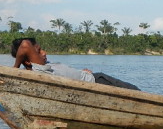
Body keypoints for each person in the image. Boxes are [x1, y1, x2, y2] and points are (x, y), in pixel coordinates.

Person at [11, 38, 140, 90]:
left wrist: (81, 73)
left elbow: (63, 73)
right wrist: (14, 70)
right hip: (97, 83)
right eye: (39, 51)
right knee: (135, 92)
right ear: (27, 61)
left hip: (95, 78)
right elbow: (25, 45)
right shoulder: (39, 69)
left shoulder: (44, 66)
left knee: (135, 91)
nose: (44, 53)